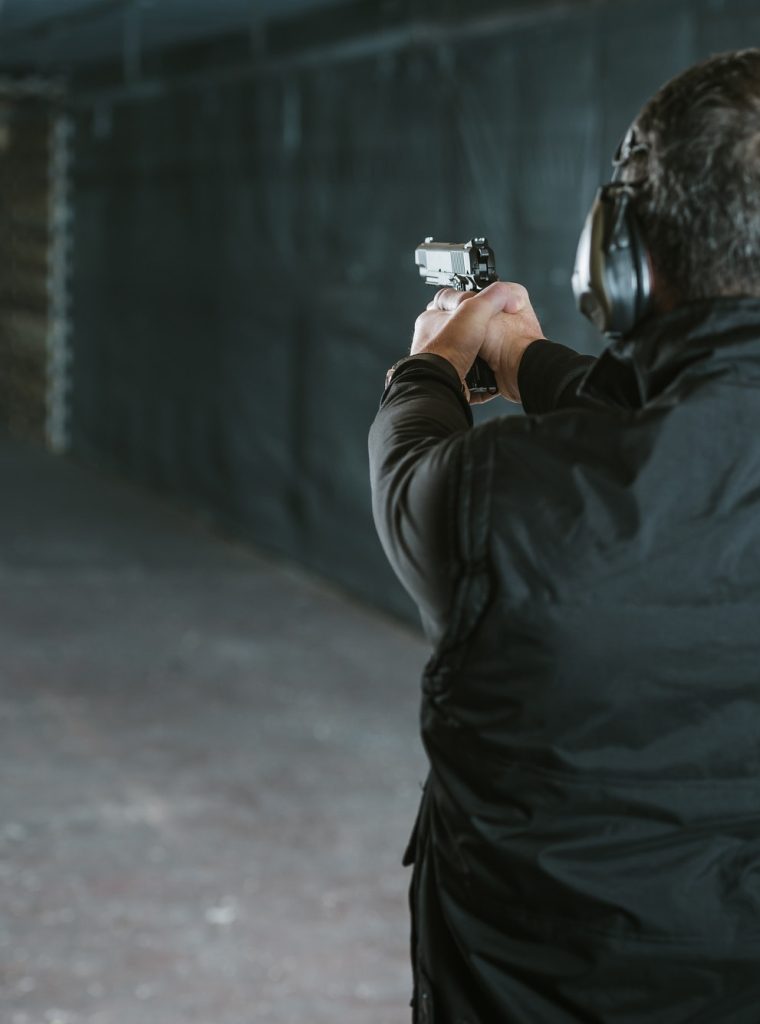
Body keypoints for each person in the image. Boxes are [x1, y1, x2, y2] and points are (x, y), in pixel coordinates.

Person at [368, 49, 760, 1024]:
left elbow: (407, 467)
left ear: (622, 259)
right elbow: (704, 414)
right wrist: (522, 357)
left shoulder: (498, 501)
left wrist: (433, 366)